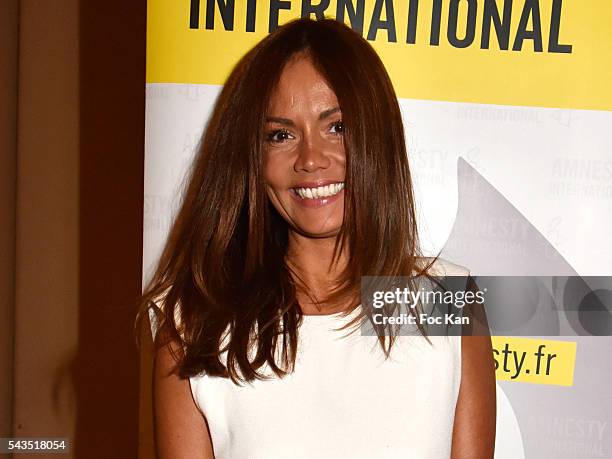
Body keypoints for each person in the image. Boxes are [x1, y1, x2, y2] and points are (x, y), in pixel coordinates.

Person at [135, 17, 496, 458]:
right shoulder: (193, 322)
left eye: (337, 127)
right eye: (281, 135)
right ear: (253, 157)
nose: (310, 159)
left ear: (376, 137)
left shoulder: (449, 302)